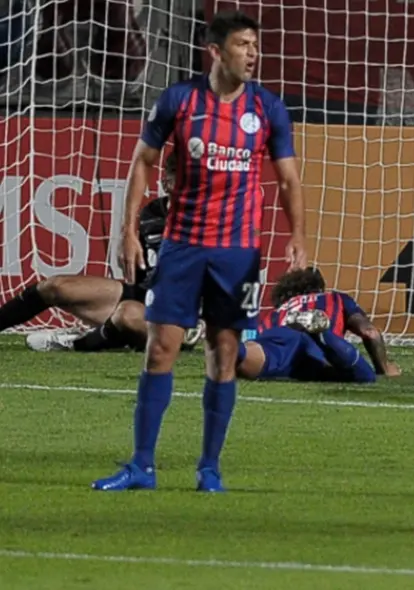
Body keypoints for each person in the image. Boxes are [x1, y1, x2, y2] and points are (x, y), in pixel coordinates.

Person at [92, 10, 307, 493]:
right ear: (215, 51)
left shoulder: (268, 108)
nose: (253, 54)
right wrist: (128, 230)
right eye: (243, 45)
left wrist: (299, 235)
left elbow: (289, 178)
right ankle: (141, 466)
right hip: (182, 248)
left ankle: (209, 467)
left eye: (255, 45)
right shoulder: (180, 100)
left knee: (223, 353)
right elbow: (143, 161)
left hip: (237, 254)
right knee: (160, 349)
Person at [20, 151, 204, 353]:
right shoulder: (151, 213)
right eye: (177, 177)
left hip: (183, 315)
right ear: (165, 180)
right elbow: (141, 277)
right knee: (56, 286)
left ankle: (77, 343)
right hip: (145, 300)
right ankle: (115, 333)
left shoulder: (214, 220)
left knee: (128, 314)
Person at [236, 267, 400, 382]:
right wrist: (384, 368)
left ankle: (228, 344)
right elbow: (370, 332)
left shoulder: (278, 311)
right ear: (319, 287)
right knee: (365, 375)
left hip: (281, 337)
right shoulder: (335, 298)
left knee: (247, 358)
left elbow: (258, 338)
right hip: (318, 352)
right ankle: (321, 333)